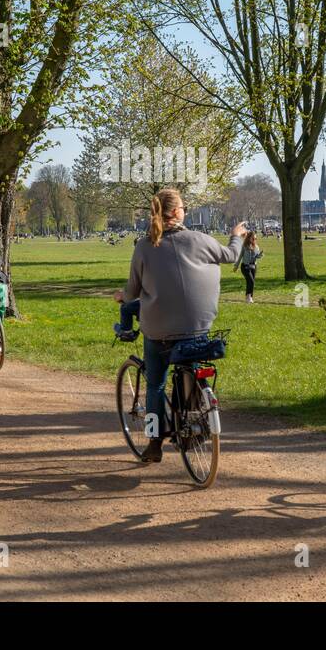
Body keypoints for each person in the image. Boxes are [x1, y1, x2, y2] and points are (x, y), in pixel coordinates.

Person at [115, 187, 244, 464]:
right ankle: (197, 411)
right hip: (199, 325)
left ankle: (153, 442)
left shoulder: (145, 246)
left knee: (156, 386)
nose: (185, 210)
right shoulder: (200, 240)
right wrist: (236, 235)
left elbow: (133, 291)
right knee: (193, 360)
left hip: (159, 330)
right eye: (183, 207)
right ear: (176, 212)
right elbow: (232, 255)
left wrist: (121, 298)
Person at [235, 231, 262, 303]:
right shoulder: (244, 246)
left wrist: (260, 256)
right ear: (249, 238)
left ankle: (249, 297)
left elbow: (257, 256)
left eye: (255, 238)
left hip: (253, 266)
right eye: (253, 238)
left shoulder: (256, 247)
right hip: (245, 266)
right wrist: (236, 266)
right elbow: (240, 256)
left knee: (250, 282)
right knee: (251, 281)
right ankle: (249, 297)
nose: (254, 239)